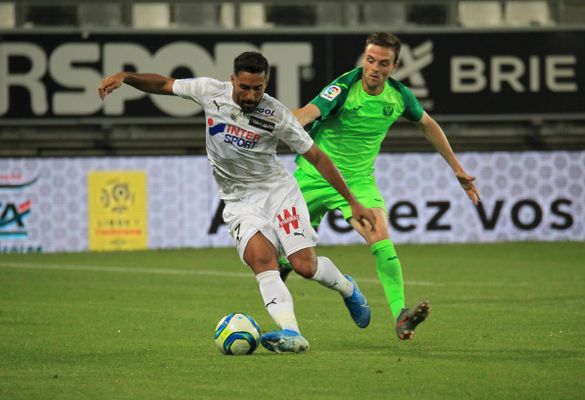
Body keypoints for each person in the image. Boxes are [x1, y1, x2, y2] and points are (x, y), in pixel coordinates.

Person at [98, 51, 376, 354]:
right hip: (238, 200)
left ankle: (348, 288)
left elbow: (318, 157)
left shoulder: (277, 115)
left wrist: (353, 202)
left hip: (278, 193)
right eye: (244, 87)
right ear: (233, 80)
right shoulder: (208, 91)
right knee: (262, 261)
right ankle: (292, 333)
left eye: (258, 88)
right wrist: (126, 77)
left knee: (304, 267)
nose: (251, 94)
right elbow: (164, 84)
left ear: (266, 82)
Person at [281, 32, 481, 341]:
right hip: (313, 176)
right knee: (285, 259)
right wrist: (268, 124)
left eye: (382, 63)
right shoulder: (345, 86)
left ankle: (401, 316)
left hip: (358, 183)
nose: (373, 68)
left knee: (380, 236)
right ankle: (341, 291)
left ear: (394, 66)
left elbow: (428, 125)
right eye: (370, 60)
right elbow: (307, 114)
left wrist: (457, 168)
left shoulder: (398, 96)